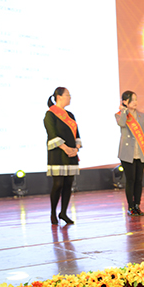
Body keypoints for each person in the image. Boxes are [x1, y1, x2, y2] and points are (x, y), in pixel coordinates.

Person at [44, 87, 81, 225]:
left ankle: (63, 213)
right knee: (58, 183)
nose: (69, 97)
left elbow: (77, 134)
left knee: (68, 184)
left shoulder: (70, 115)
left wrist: (76, 148)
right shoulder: (50, 114)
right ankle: (53, 212)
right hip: (58, 154)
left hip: (71, 153)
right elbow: (52, 134)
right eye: (67, 95)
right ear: (59, 97)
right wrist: (66, 148)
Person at [116, 91, 144, 216]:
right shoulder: (119, 114)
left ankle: (137, 205)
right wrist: (124, 111)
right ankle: (130, 206)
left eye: (136, 99)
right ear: (125, 102)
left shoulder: (141, 115)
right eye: (132, 100)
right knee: (130, 180)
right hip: (127, 153)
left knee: (139, 180)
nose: (135, 102)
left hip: (140, 152)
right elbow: (121, 123)